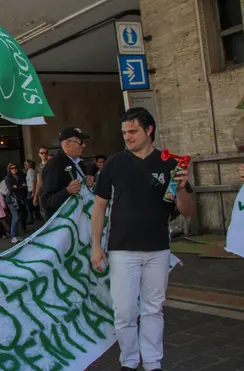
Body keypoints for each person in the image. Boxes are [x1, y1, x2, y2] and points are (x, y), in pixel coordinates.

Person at [91, 107, 196, 371]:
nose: (127, 136)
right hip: (122, 248)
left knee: (153, 308)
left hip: (158, 247)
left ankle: (152, 361)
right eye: (124, 132)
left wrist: (182, 189)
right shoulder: (114, 164)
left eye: (133, 131)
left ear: (149, 130)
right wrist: (96, 246)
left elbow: (188, 210)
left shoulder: (169, 164)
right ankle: (129, 360)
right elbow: (100, 206)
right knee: (124, 311)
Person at [40, 127, 95, 217]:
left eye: (84, 142)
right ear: (67, 144)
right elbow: (46, 202)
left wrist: (87, 183)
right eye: (80, 142)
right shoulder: (55, 165)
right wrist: (67, 191)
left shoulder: (79, 162)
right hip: (65, 222)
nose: (84, 145)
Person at [5, 163, 28, 243]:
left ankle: (16, 235)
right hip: (12, 199)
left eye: (15, 168)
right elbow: (11, 188)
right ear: (9, 169)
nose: (14, 169)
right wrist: (19, 187)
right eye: (12, 168)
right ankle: (13, 235)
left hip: (19, 199)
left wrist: (17, 187)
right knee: (16, 217)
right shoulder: (8, 178)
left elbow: (25, 187)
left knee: (18, 217)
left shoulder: (20, 176)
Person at [33, 145, 50, 220]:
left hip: (50, 189)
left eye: (46, 153)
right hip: (41, 191)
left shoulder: (51, 164)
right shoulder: (38, 167)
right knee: (43, 211)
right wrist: (35, 196)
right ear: (39, 154)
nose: (44, 155)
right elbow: (38, 182)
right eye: (42, 153)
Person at [23, 160, 38, 224]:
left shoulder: (30, 171)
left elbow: (33, 181)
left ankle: (31, 219)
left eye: (26, 164)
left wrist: (33, 192)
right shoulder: (32, 171)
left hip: (31, 189)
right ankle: (35, 217)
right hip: (31, 189)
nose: (24, 166)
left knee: (29, 205)